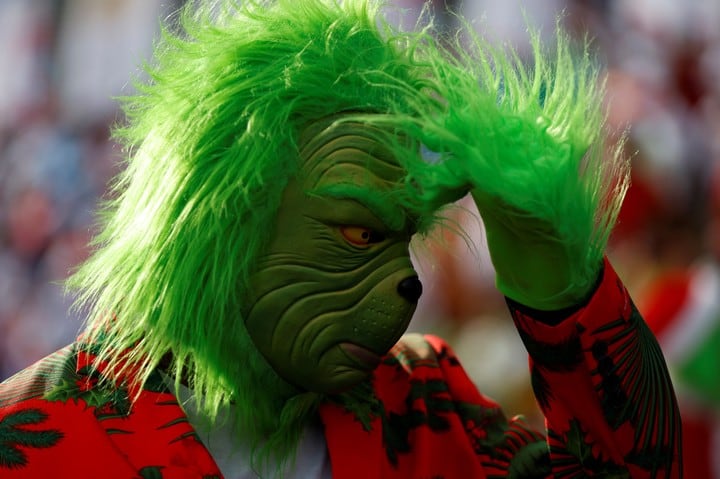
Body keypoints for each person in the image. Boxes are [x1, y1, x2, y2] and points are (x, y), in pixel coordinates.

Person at [0, 0, 681, 477]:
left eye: (403, 238)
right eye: (358, 230)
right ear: (222, 221)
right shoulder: (30, 438)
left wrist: (563, 295)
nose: (407, 282)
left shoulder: (428, 410)